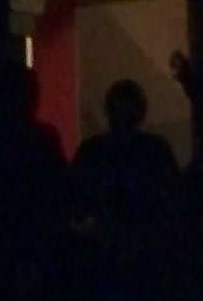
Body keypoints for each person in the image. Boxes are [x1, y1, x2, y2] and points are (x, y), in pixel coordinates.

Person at [70, 78, 178, 227]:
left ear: (108, 111)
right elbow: (173, 196)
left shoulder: (92, 150)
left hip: (107, 235)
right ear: (141, 112)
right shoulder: (156, 149)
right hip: (145, 235)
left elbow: (77, 200)